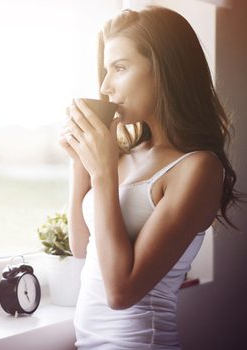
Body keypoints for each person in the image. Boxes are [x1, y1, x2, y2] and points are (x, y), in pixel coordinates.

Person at [59, 6, 240, 350]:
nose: (105, 85)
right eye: (105, 69)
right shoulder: (124, 156)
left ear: (165, 71)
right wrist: (79, 163)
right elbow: (81, 248)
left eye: (120, 68)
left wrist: (103, 172)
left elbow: (120, 292)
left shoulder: (198, 169)